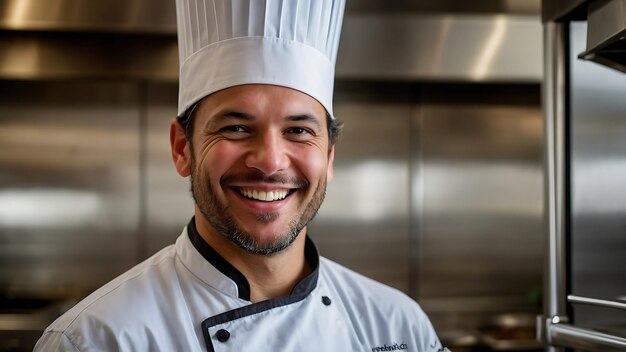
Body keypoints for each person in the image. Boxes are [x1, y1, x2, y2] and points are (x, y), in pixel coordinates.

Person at [35, 0, 448, 351]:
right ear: (182, 149)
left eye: (299, 131)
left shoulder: (398, 326)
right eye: (235, 127)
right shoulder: (96, 339)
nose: (269, 162)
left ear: (330, 157)